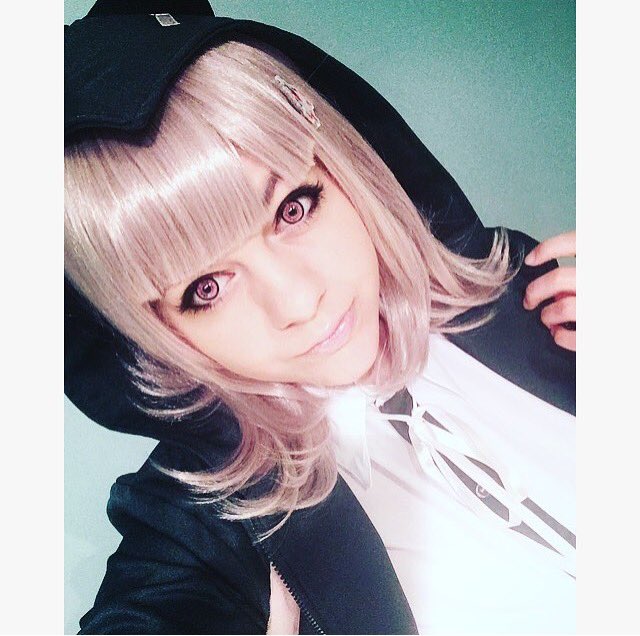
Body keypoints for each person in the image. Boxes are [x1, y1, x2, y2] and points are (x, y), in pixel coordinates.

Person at [65, 1, 576, 633]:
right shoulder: (201, 524)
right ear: (152, 332)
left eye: (293, 208)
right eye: (205, 288)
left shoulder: (522, 287)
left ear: (343, 167)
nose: (299, 302)